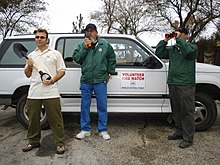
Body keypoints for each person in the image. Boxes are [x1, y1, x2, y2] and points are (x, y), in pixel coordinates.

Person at [22, 29, 66, 154]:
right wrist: (29, 65)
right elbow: (27, 74)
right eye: (37, 37)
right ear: (35, 39)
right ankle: (33, 141)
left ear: (47, 39)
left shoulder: (55, 53)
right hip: (34, 92)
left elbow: (62, 70)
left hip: (51, 91)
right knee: (33, 119)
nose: (39, 39)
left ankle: (60, 144)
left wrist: (52, 80)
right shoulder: (31, 55)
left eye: (42, 37)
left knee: (56, 119)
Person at [155, 27, 197, 148]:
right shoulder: (173, 49)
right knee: (176, 110)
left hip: (185, 84)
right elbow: (159, 53)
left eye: (180, 34)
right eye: (176, 34)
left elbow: (187, 52)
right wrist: (165, 41)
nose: (177, 36)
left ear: (186, 36)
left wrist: (179, 39)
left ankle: (188, 138)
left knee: (187, 111)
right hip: (173, 83)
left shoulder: (192, 47)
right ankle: (179, 132)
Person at [73, 23, 116, 140]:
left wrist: (109, 72)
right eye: (87, 31)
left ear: (96, 32)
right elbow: (76, 58)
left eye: (92, 31)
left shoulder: (105, 44)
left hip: (100, 80)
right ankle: (85, 129)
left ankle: (103, 130)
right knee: (84, 106)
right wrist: (85, 48)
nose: (89, 33)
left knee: (102, 106)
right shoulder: (82, 45)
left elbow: (112, 58)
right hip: (86, 80)